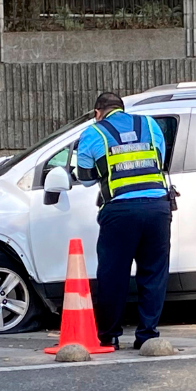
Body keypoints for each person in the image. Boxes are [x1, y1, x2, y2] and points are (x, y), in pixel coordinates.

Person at [75, 92, 173, 350]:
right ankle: (147, 335)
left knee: (113, 274)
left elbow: (85, 178)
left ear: (98, 112)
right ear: (122, 108)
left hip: (119, 210)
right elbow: (160, 161)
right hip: (157, 208)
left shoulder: (94, 133)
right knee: (153, 272)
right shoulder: (150, 124)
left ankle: (109, 336)